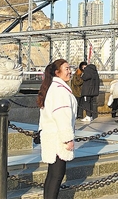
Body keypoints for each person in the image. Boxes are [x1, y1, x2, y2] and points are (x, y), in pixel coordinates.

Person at [37, 59, 76, 199]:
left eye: (69, 68)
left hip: (50, 135)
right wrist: (68, 139)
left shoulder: (52, 88)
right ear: (57, 72)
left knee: (52, 175)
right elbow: (62, 115)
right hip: (58, 138)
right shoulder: (60, 90)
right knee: (57, 175)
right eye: (66, 69)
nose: (70, 71)